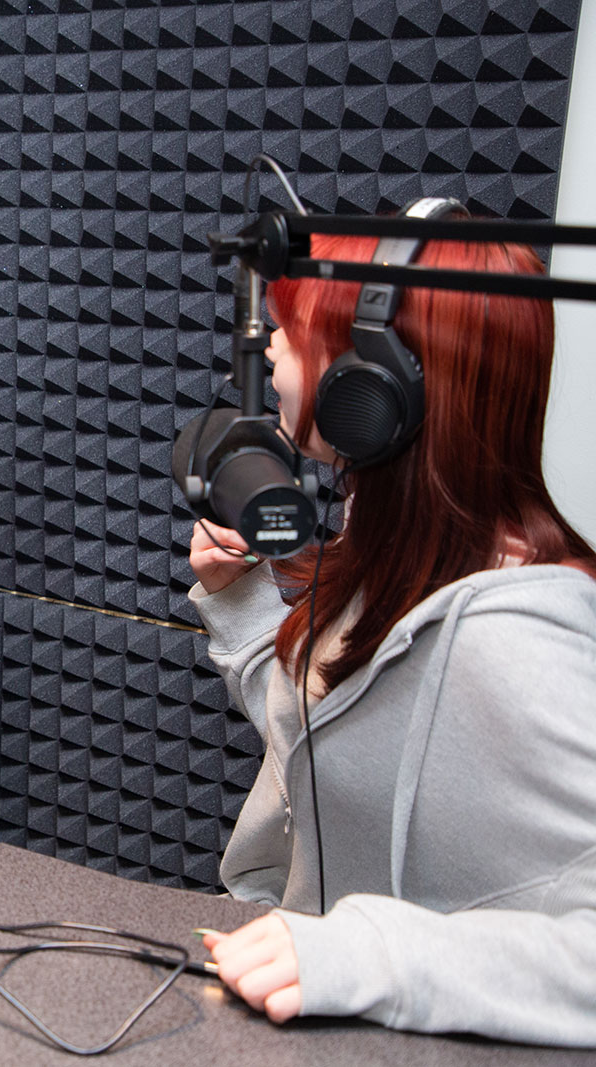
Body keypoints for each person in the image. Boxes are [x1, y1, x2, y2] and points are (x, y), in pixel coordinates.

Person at [188, 230, 596, 1044]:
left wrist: (373, 952)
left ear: (368, 391)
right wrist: (245, 606)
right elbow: (331, 739)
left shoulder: (516, 640)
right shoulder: (389, 561)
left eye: (294, 330)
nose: (268, 345)